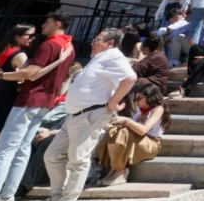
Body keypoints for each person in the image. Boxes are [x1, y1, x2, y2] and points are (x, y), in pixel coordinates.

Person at [0, 11, 75, 201]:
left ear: (57, 24)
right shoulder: (69, 46)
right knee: (22, 150)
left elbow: (31, 73)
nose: (43, 26)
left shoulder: (49, 44)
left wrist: (1, 76)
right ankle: (8, 195)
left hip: (29, 100)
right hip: (45, 102)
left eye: (47, 22)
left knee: (3, 152)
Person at [42, 29, 137, 201]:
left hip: (90, 115)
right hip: (75, 115)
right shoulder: (99, 58)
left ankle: (67, 198)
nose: (92, 42)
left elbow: (130, 77)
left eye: (98, 39)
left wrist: (113, 102)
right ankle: (58, 196)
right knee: (52, 155)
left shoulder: (113, 56)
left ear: (110, 43)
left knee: (78, 159)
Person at [0, 25, 35, 172]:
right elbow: (28, 75)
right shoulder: (19, 55)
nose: (32, 38)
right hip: (0, 107)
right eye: (29, 35)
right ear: (17, 37)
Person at [95, 83, 169, 187]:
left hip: (151, 143)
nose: (136, 101)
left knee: (123, 132)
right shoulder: (139, 110)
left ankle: (120, 170)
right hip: (138, 140)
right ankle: (115, 168)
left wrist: (125, 120)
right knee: (115, 131)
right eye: (135, 98)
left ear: (149, 96)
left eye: (139, 98)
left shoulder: (158, 109)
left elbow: (143, 130)